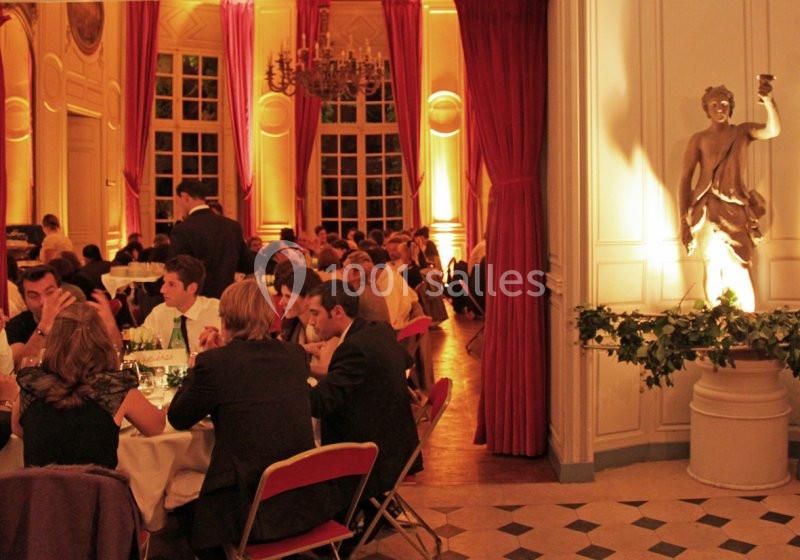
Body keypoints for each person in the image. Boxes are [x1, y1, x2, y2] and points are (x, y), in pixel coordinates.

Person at [168, 280, 338, 560]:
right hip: (303, 501)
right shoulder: (294, 356)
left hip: (247, 509)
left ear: (226, 318)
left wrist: (199, 361)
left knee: (176, 493)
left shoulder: (215, 363)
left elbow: (178, 417)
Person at [307, 280, 420, 504]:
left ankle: (342, 515)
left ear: (337, 311)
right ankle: (371, 512)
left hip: (375, 458)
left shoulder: (353, 348)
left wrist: (287, 376)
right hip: (398, 446)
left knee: (300, 454)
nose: (311, 321)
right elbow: (406, 362)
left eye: (315, 313)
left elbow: (319, 403)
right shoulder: (378, 330)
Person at [11, 302, 165, 468]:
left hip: (40, 484)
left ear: (53, 341)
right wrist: (164, 408)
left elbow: (18, 430)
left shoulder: (31, 384)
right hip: (97, 485)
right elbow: (156, 427)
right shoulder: (116, 387)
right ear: (102, 341)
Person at [679, 78, 780, 311]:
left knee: (742, 265)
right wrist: (684, 220)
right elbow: (685, 179)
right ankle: (716, 321)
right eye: (714, 104)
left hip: (735, 209)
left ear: (730, 107)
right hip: (706, 207)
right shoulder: (699, 139)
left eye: (724, 104)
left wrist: (768, 101)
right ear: (706, 109)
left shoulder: (742, 132)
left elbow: (773, 130)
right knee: (712, 264)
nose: (719, 108)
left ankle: (747, 321)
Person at [170, 180, 249, 298]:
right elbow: (246, 262)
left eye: (178, 202)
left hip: (198, 301)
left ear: (185, 197)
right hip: (227, 299)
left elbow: (179, 271)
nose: (179, 207)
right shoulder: (232, 226)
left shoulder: (182, 229)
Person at [142, 255, 220, 354]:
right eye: (164, 283)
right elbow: (140, 342)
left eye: (171, 284)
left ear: (192, 288)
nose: (162, 290)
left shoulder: (217, 312)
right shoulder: (159, 313)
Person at [6, 266, 77, 367]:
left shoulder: (76, 318)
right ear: (24, 300)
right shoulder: (16, 325)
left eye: (49, 292)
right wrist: (45, 324)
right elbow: (17, 365)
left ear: (60, 292)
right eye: (33, 296)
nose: (43, 302)